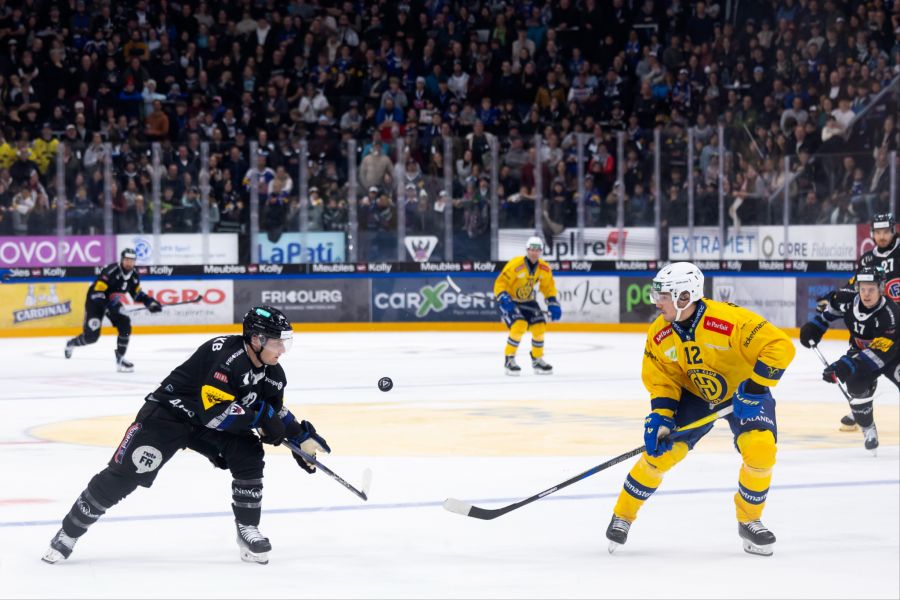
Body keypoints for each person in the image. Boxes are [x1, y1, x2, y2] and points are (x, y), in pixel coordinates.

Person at [43, 306, 331, 565]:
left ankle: (247, 529)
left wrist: (299, 436)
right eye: (278, 342)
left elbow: (274, 410)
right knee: (126, 475)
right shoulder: (227, 359)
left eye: (285, 342)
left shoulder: (273, 373)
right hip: (168, 415)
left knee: (248, 451)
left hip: (203, 423)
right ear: (257, 340)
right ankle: (68, 532)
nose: (282, 349)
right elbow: (216, 414)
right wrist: (260, 417)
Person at [605, 262, 795, 557]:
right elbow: (663, 379)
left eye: (664, 296)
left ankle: (750, 520)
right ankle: (623, 516)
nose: (657, 302)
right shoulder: (660, 332)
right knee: (661, 454)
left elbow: (779, 346)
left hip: (745, 394)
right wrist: (662, 415)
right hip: (696, 395)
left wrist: (756, 388)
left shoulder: (728, 320)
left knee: (760, 448)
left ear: (684, 296)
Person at [799, 266, 899, 454]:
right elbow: (827, 314)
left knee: (855, 370)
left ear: (881, 288)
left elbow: (879, 354)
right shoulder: (846, 300)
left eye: (871, 289)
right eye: (863, 288)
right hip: (860, 350)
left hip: (893, 354)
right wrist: (815, 328)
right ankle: (868, 427)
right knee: (855, 385)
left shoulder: (891, 314)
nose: (866, 294)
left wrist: (845, 366)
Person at [815, 213, 899, 430]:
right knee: (863, 366)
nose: (882, 236)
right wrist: (833, 299)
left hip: (895, 325)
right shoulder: (867, 260)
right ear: (872, 233)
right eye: (878, 232)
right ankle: (860, 411)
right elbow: (854, 286)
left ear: (893, 231)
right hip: (873, 325)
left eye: (886, 231)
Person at [64, 248, 163, 372]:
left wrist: (150, 302)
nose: (129, 263)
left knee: (125, 324)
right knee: (91, 337)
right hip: (95, 302)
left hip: (112, 303)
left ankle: (120, 359)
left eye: (132, 260)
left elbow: (137, 294)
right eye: (126, 260)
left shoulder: (134, 276)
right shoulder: (110, 271)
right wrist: (110, 307)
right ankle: (72, 343)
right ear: (121, 260)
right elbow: (97, 293)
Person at [493, 236, 561, 375]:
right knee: (519, 325)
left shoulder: (543, 268)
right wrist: (503, 296)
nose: (534, 252)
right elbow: (500, 283)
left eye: (537, 249)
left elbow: (548, 287)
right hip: (510, 301)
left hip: (528, 300)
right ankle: (509, 359)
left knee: (539, 326)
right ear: (527, 250)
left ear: (541, 251)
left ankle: (537, 359)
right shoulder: (516, 264)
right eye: (532, 249)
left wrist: (553, 302)